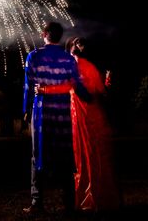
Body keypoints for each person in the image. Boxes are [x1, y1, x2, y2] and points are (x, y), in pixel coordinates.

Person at [38, 37, 121, 214]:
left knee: (91, 154)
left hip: (89, 116)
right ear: (70, 47)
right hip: (82, 116)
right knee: (87, 154)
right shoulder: (80, 66)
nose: (79, 45)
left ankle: (96, 197)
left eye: (80, 43)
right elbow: (94, 91)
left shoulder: (82, 66)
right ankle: (96, 196)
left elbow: (95, 91)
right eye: (75, 43)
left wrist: (44, 90)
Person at [23, 21, 81, 214]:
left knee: (37, 156)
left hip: (42, 114)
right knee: (65, 156)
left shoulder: (34, 56)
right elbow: (78, 86)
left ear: (44, 34)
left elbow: (28, 86)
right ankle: (69, 203)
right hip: (63, 114)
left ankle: (37, 202)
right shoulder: (69, 59)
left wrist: (25, 109)